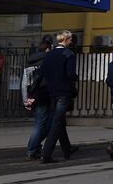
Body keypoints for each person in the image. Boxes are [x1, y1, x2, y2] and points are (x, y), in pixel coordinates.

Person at [40, 30, 78, 164]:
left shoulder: (48, 55)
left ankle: (67, 149)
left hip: (52, 91)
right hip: (63, 91)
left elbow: (42, 73)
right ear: (67, 40)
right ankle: (46, 153)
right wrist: (75, 78)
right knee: (57, 122)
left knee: (59, 120)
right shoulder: (68, 54)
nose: (71, 42)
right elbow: (70, 74)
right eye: (70, 39)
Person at [23, 35, 53, 160]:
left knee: (39, 123)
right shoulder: (48, 61)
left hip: (34, 95)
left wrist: (26, 100)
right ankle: (32, 149)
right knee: (46, 124)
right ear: (49, 48)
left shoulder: (30, 62)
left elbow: (24, 83)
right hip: (46, 94)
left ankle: (34, 148)